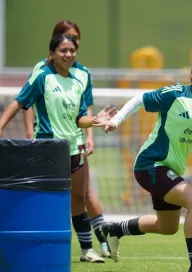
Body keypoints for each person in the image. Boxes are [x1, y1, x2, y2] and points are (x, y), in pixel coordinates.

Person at [97, 54, 192, 272]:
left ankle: (114, 230)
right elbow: (138, 100)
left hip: (170, 169)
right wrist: (115, 121)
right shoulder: (176, 94)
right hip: (150, 164)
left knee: (167, 227)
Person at [0, 34, 116, 263]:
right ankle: (34, 247)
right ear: (52, 53)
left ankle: (87, 250)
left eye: (72, 50)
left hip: (74, 148)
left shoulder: (77, 81)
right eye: (63, 50)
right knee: (43, 200)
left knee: (78, 199)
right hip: (47, 149)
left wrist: (94, 120)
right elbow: (19, 101)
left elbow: (80, 119)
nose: (69, 54)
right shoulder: (43, 77)